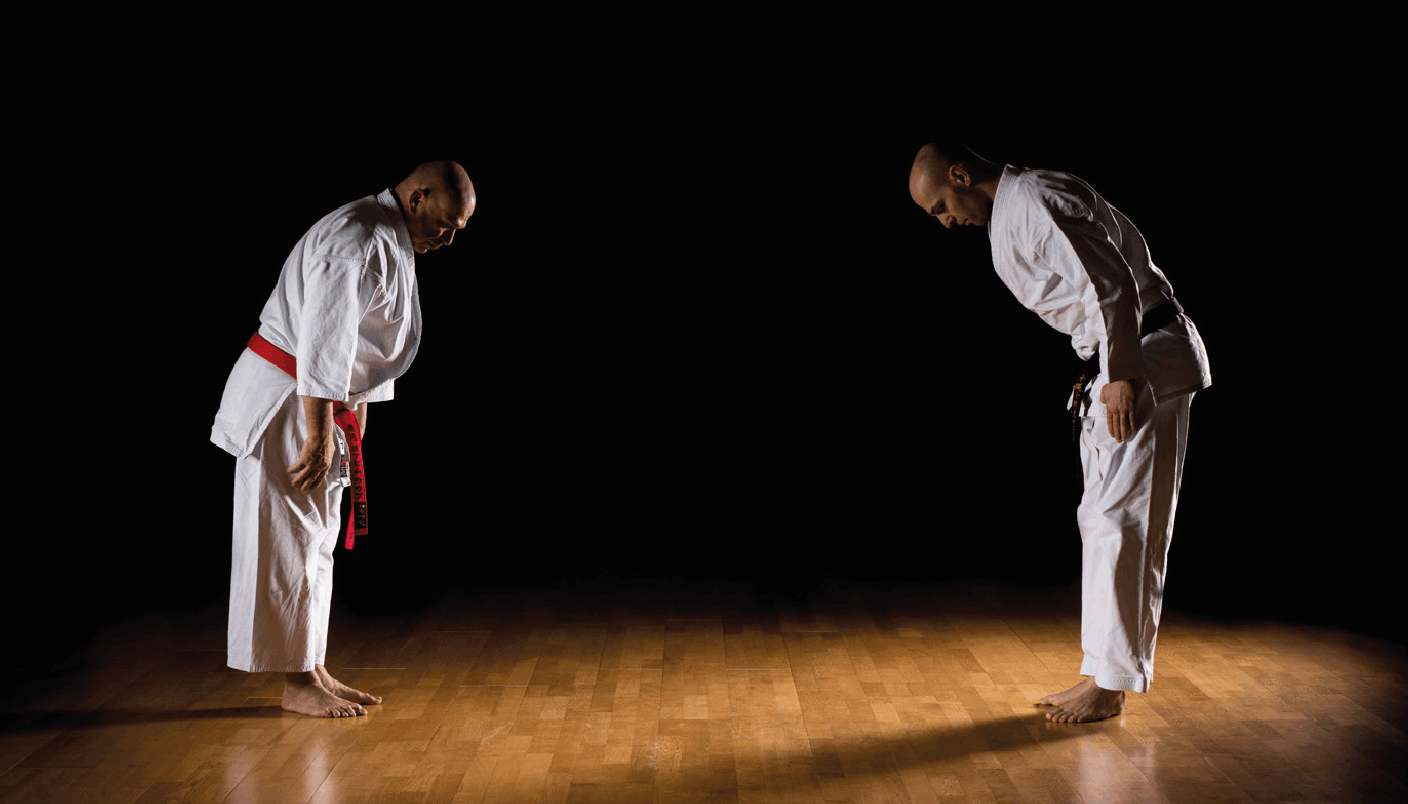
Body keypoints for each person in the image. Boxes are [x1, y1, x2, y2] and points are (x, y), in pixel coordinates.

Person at [909, 142, 1210, 723]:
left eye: (941, 206)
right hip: (1115, 360)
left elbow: (1114, 284)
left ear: (959, 173)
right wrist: (1106, 370)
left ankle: (1112, 685)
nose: (945, 222)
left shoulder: (1036, 199)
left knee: (1126, 521)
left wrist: (1122, 374)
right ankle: (1101, 673)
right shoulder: (1011, 217)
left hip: (1143, 357)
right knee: (1100, 520)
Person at [211, 161, 476, 717]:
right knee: (288, 537)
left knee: (317, 536)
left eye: (458, 231)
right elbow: (323, 342)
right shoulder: (356, 237)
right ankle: (297, 682)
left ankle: (313, 668)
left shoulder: (388, 233)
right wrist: (318, 433)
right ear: (418, 196)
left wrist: (347, 426)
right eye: (446, 225)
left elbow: (364, 349)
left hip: (319, 402)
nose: (448, 239)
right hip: (289, 399)